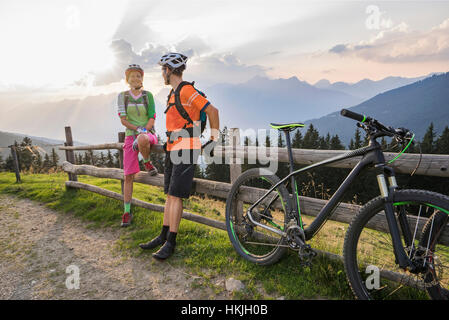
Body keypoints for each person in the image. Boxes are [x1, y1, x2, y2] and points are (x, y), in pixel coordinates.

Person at [139, 53, 220, 260]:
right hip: (173, 147)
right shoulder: (173, 94)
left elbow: (212, 111)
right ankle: (163, 236)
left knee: (176, 196)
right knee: (169, 194)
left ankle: (171, 243)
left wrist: (213, 138)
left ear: (169, 70)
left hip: (187, 148)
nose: (161, 74)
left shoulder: (186, 90)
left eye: (162, 70)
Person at [117, 64, 159, 227]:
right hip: (130, 136)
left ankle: (147, 162)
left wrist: (143, 130)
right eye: (132, 76)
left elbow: (152, 118)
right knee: (128, 176)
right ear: (127, 79)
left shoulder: (148, 96)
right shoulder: (122, 96)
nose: (136, 78)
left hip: (147, 133)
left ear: (142, 78)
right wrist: (135, 129)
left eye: (138, 76)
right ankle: (127, 212)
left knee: (142, 139)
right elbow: (123, 119)